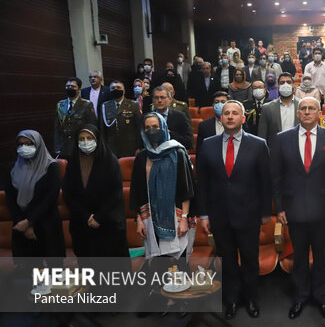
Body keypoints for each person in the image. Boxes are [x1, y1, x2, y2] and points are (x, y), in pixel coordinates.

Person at [197, 100, 272, 319]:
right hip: (219, 214)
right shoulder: (208, 144)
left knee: (250, 259)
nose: (230, 116)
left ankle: (251, 298)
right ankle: (231, 299)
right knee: (227, 260)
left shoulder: (258, 144)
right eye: (226, 113)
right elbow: (202, 182)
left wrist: (266, 212)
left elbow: (265, 182)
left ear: (243, 118)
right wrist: (203, 214)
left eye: (235, 113)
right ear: (221, 118)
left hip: (249, 214)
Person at [271, 97, 325, 319]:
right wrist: (279, 207)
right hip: (293, 210)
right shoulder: (282, 139)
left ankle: (321, 295)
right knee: (300, 257)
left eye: (311, 108)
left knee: (321, 257)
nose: (306, 112)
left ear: (319, 112)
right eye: (302, 108)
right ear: (297, 113)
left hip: (323, 211)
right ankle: (301, 296)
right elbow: (276, 177)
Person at [130, 112, 194, 260]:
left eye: (155, 126)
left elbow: (186, 189)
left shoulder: (178, 152)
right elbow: (137, 192)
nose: (151, 130)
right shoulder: (141, 157)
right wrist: (139, 220)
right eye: (147, 128)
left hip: (175, 216)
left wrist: (184, 218)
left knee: (178, 266)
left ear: (163, 128)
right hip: (149, 218)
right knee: (158, 266)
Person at [62, 124, 129, 258]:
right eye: (81, 139)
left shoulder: (110, 161)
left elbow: (115, 193)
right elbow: (68, 193)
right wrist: (86, 216)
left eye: (89, 138)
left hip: (108, 222)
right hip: (82, 223)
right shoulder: (73, 162)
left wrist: (99, 217)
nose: (85, 142)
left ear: (97, 139)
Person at [6, 130, 65, 269]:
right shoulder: (12, 169)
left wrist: (30, 221)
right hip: (22, 227)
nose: (24, 148)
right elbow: (10, 199)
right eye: (20, 144)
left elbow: (50, 199)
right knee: (27, 276)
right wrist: (23, 224)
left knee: (55, 276)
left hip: (47, 224)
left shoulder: (52, 167)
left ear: (38, 145)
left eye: (29, 144)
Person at [55, 77, 96, 158]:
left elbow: (92, 126)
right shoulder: (60, 105)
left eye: (73, 87)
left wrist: (91, 144)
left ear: (79, 89)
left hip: (81, 144)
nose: (70, 88)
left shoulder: (87, 104)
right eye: (68, 86)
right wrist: (57, 146)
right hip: (65, 146)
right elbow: (57, 128)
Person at [100, 80, 142, 158]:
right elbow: (102, 129)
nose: (115, 89)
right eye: (113, 88)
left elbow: (139, 127)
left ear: (124, 91)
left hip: (130, 146)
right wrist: (103, 147)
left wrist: (139, 147)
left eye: (118, 87)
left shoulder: (133, 105)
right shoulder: (105, 106)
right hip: (111, 147)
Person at [258, 73, 299, 147]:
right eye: (282, 82)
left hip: (297, 148)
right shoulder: (267, 108)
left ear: (293, 85)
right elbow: (262, 135)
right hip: (275, 151)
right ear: (278, 86)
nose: (285, 85)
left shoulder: (302, 105)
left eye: (289, 82)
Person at [151, 86, 193, 150]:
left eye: (162, 97)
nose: (159, 100)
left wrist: (169, 133)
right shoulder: (147, 118)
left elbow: (188, 142)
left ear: (170, 100)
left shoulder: (180, 117)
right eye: (156, 98)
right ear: (153, 100)